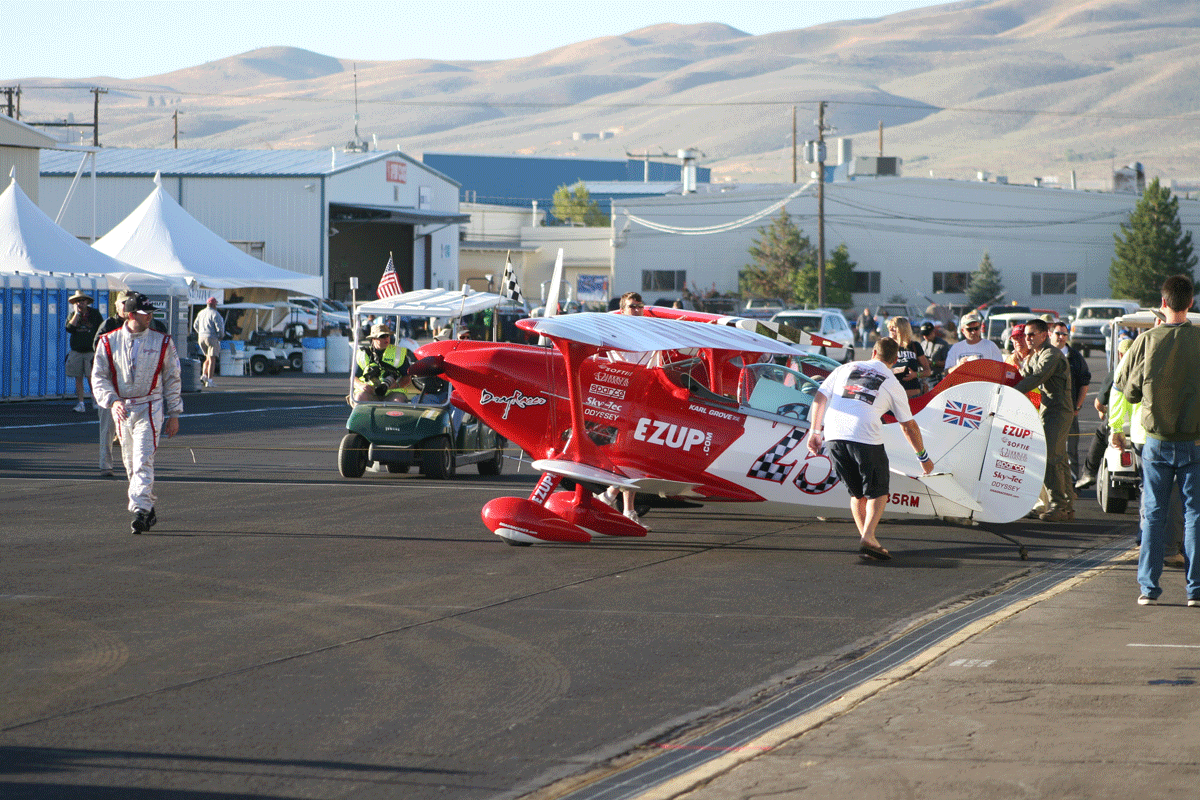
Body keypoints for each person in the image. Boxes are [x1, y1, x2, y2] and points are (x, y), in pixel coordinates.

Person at [806, 337, 935, 560]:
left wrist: (814, 432)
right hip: (864, 435)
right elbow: (908, 426)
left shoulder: (845, 368)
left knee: (857, 494)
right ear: (895, 360)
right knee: (878, 492)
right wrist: (923, 457)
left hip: (834, 434)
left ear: (873, 352)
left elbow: (819, 397)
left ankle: (868, 539)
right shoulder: (892, 382)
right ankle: (868, 536)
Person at [1114, 275, 1200, 606]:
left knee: (1154, 512)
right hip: (1195, 440)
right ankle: (1195, 590)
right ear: (1190, 303)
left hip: (1156, 441)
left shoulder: (1146, 341)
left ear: (1163, 303)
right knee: (1194, 514)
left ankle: (1149, 587)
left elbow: (1126, 389)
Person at [91, 293, 183, 534]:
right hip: (122, 409)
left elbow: (173, 378)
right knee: (131, 463)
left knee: (143, 458)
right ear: (131, 315)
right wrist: (112, 401)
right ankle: (148, 509)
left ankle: (140, 510)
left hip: (150, 406)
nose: (150, 316)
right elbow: (99, 376)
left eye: (151, 312)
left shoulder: (162, 341)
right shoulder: (108, 341)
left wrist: (174, 412)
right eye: (145, 313)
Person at [92, 291, 165, 478]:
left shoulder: (149, 325)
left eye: (128, 303)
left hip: (140, 392)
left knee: (141, 436)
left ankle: (137, 471)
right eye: (122, 303)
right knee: (106, 427)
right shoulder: (109, 325)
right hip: (113, 388)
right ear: (117, 307)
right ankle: (105, 464)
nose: (125, 307)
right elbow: (97, 347)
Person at [1014, 318, 1074, 522]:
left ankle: (1058, 505)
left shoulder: (1051, 354)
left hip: (1058, 410)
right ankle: (1066, 506)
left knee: (1051, 458)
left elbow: (1036, 378)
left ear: (1044, 335)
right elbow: (1025, 374)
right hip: (1049, 410)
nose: (1027, 338)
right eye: (1025, 335)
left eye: (1032, 334)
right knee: (1060, 458)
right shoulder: (1036, 355)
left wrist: (1011, 393)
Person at [599, 291, 650, 526]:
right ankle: (622, 507)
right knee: (628, 455)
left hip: (644, 402)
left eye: (640, 306)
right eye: (632, 306)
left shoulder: (651, 331)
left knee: (633, 456)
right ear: (622, 310)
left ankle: (611, 497)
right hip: (620, 401)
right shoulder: (615, 331)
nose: (637, 310)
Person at [1052, 320, 1091, 481]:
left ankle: (1073, 482)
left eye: (1064, 334)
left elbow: (1084, 383)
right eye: (1058, 333)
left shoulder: (1075, 357)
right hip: (1048, 410)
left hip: (1069, 410)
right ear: (1050, 334)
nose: (1061, 337)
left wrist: (1078, 406)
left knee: (1071, 449)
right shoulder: (1044, 354)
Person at [353, 322, 414, 402]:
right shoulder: (363, 354)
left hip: (392, 393)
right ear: (373, 339)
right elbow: (353, 378)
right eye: (382, 336)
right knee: (360, 397)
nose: (386, 338)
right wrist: (361, 385)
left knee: (398, 400)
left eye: (388, 335)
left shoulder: (398, 353)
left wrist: (397, 385)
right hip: (370, 392)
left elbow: (407, 377)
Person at [64, 290, 104, 412]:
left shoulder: (95, 314)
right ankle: (81, 403)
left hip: (90, 351)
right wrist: (76, 314)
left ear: (87, 302)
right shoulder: (72, 315)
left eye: (82, 301)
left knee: (91, 377)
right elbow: (69, 328)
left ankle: (95, 400)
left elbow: (102, 329)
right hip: (76, 351)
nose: (80, 303)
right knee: (78, 378)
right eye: (77, 301)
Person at [885, 316, 931, 398]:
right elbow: (877, 369)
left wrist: (915, 374)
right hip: (892, 397)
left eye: (894, 327)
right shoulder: (887, 346)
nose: (890, 330)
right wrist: (894, 371)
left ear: (902, 329)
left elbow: (927, 371)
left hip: (913, 396)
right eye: (889, 327)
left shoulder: (915, 346)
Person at [192, 297, 226, 388]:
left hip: (201, 337)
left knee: (207, 357)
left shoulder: (201, 313)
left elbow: (195, 325)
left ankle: (204, 375)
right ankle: (210, 381)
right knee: (212, 359)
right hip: (211, 337)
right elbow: (220, 328)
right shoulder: (215, 314)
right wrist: (221, 336)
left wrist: (200, 332)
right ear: (214, 305)